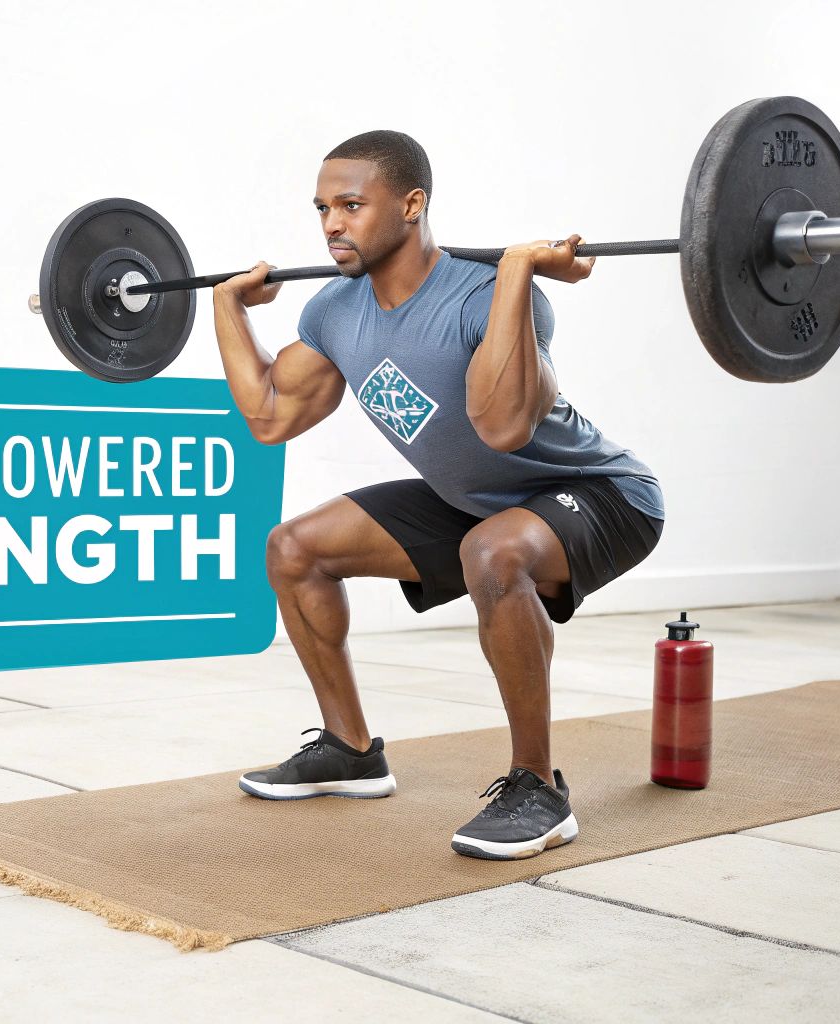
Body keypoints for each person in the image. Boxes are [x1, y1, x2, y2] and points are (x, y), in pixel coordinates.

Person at [219, 130, 664, 860]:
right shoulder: (336, 310)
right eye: (323, 208)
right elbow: (272, 415)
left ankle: (537, 789)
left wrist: (519, 269)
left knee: (493, 553)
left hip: (601, 494)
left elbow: (501, 424)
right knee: (294, 549)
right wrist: (228, 310)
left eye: (352, 205)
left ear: (412, 204)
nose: (331, 224)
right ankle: (350, 750)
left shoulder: (483, 294)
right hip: (477, 500)